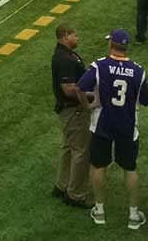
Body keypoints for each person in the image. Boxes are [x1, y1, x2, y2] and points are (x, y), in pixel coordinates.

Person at [79, 29, 148, 230]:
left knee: (99, 166)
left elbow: (81, 86)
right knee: (130, 168)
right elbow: (145, 100)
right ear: (125, 47)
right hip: (128, 126)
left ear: (111, 45)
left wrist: (88, 104)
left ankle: (100, 211)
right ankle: (134, 215)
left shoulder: (99, 65)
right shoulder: (139, 71)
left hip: (102, 124)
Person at [50, 24, 92, 209]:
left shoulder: (64, 55)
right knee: (80, 151)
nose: (78, 37)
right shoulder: (65, 59)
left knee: (68, 148)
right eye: (75, 34)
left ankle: (61, 185)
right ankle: (75, 194)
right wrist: (89, 96)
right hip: (74, 111)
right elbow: (68, 89)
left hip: (68, 112)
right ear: (65, 35)